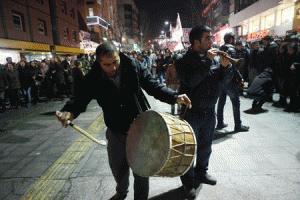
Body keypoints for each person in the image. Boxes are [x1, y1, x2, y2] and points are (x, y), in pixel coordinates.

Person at [55, 41, 191, 200]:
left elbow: (153, 86)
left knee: (141, 170)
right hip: (115, 128)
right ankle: (121, 190)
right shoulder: (94, 76)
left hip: (139, 126)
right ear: (99, 63)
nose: (112, 67)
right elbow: (80, 96)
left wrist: (175, 97)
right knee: (117, 167)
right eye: (107, 65)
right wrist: (69, 111)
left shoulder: (133, 65)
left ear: (119, 56)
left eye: (115, 62)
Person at [175, 25, 231, 199]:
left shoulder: (213, 58)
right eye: (208, 38)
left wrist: (225, 67)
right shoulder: (182, 60)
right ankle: (188, 181)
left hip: (209, 111)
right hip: (191, 112)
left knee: (206, 146)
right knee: (188, 149)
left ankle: (201, 173)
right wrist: (207, 61)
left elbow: (224, 82)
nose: (211, 41)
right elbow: (191, 81)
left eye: (211, 38)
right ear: (196, 42)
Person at [216, 33, 250, 132]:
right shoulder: (231, 49)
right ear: (231, 39)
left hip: (221, 80)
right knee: (236, 102)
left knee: (221, 102)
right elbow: (234, 66)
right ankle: (238, 125)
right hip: (230, 80)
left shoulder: (221, 48)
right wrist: (239, 78)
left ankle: (220, 123)